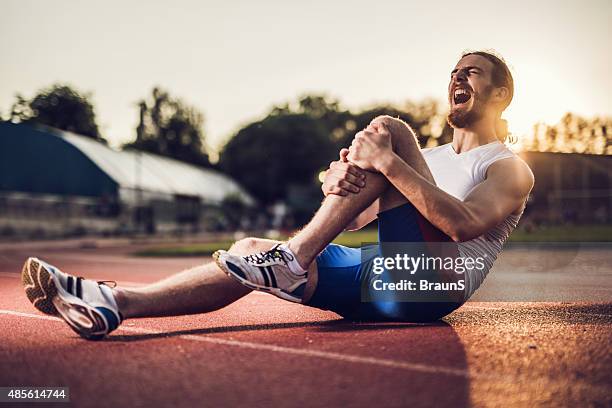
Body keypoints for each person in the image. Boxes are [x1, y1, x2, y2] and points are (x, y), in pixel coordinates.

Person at [22, 50, 534, 340]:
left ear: (499, 94)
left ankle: (289, 258)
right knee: (249, 251)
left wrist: (388, 160)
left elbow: (464, 225)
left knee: (389, 129)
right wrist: (340, 185)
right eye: (453, 73)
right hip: (376, 275)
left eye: (470, 73)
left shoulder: (507, 168)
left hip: (430, 284)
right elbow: (360, 219)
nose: (456, 79)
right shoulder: (432, 160)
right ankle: (115, 304)